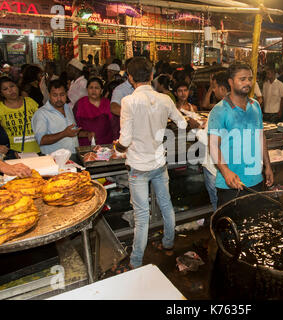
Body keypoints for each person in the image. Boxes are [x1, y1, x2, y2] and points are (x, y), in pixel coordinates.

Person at [114, 57, 200, 269]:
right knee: (166, 204)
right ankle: (168, 243)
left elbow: (125, 140)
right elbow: (181, 123)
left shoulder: (128, 102)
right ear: (152, 76)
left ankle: (135, 262)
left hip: (138, 167)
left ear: (130, 77)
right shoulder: (165, 99)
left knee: (142, 216)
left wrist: (118, 147)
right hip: (159, 163)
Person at [208, 62, 273, 207]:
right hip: (230, 183)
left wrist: (267, 166)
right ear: (231, 82)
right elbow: (213, 146)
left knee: (252, 225)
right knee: (229, 227)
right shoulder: (219, 110)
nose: (247, 83)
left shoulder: (255, 105)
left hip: (255, 180)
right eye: (242, 79)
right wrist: (225, 172)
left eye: (249, 79)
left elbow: (261, 136)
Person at [195, 71, 230, 212]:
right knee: (228, 203)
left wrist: (197, 130)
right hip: (230, 165)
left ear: (222, 88)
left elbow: (209, 141)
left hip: (215, 167)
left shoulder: (219, 108)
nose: (213, 90)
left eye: (214, 87)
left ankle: (220, 230)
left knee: (218, 204)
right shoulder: (241, 105)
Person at [32, 80, 94, 156]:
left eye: (62, 95)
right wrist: (64, 134)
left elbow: (71, 132)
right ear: (49, 95)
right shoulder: (41, 113)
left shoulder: (68, 108)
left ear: (66, 94)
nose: (59, 99)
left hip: (73, 156)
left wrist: (86, 134)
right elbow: (41, 140)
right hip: (54, 159)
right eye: (55, 95)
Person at [0, 76, 40, 154]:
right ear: (1, 93)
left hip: (37, 149)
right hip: (14, 152)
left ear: (17, 86)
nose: (10, 90)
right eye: (5, 89)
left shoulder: (30, 102)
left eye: (12, 86)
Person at [74, 77, 112, 146]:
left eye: (96, 88)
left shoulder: (107, 103)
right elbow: (74, 126)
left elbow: (114, 125)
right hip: (85, 145)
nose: (93, 91)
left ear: (102, 90)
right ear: (87, 90)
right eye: (91, 88)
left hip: (106, 144)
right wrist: (86, 133)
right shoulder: (80, 104)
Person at [110, 58, 134, 140]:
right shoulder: (120, 89)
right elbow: (113, 107)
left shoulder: (148, 87)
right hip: (127, 134)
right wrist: (136, 115)